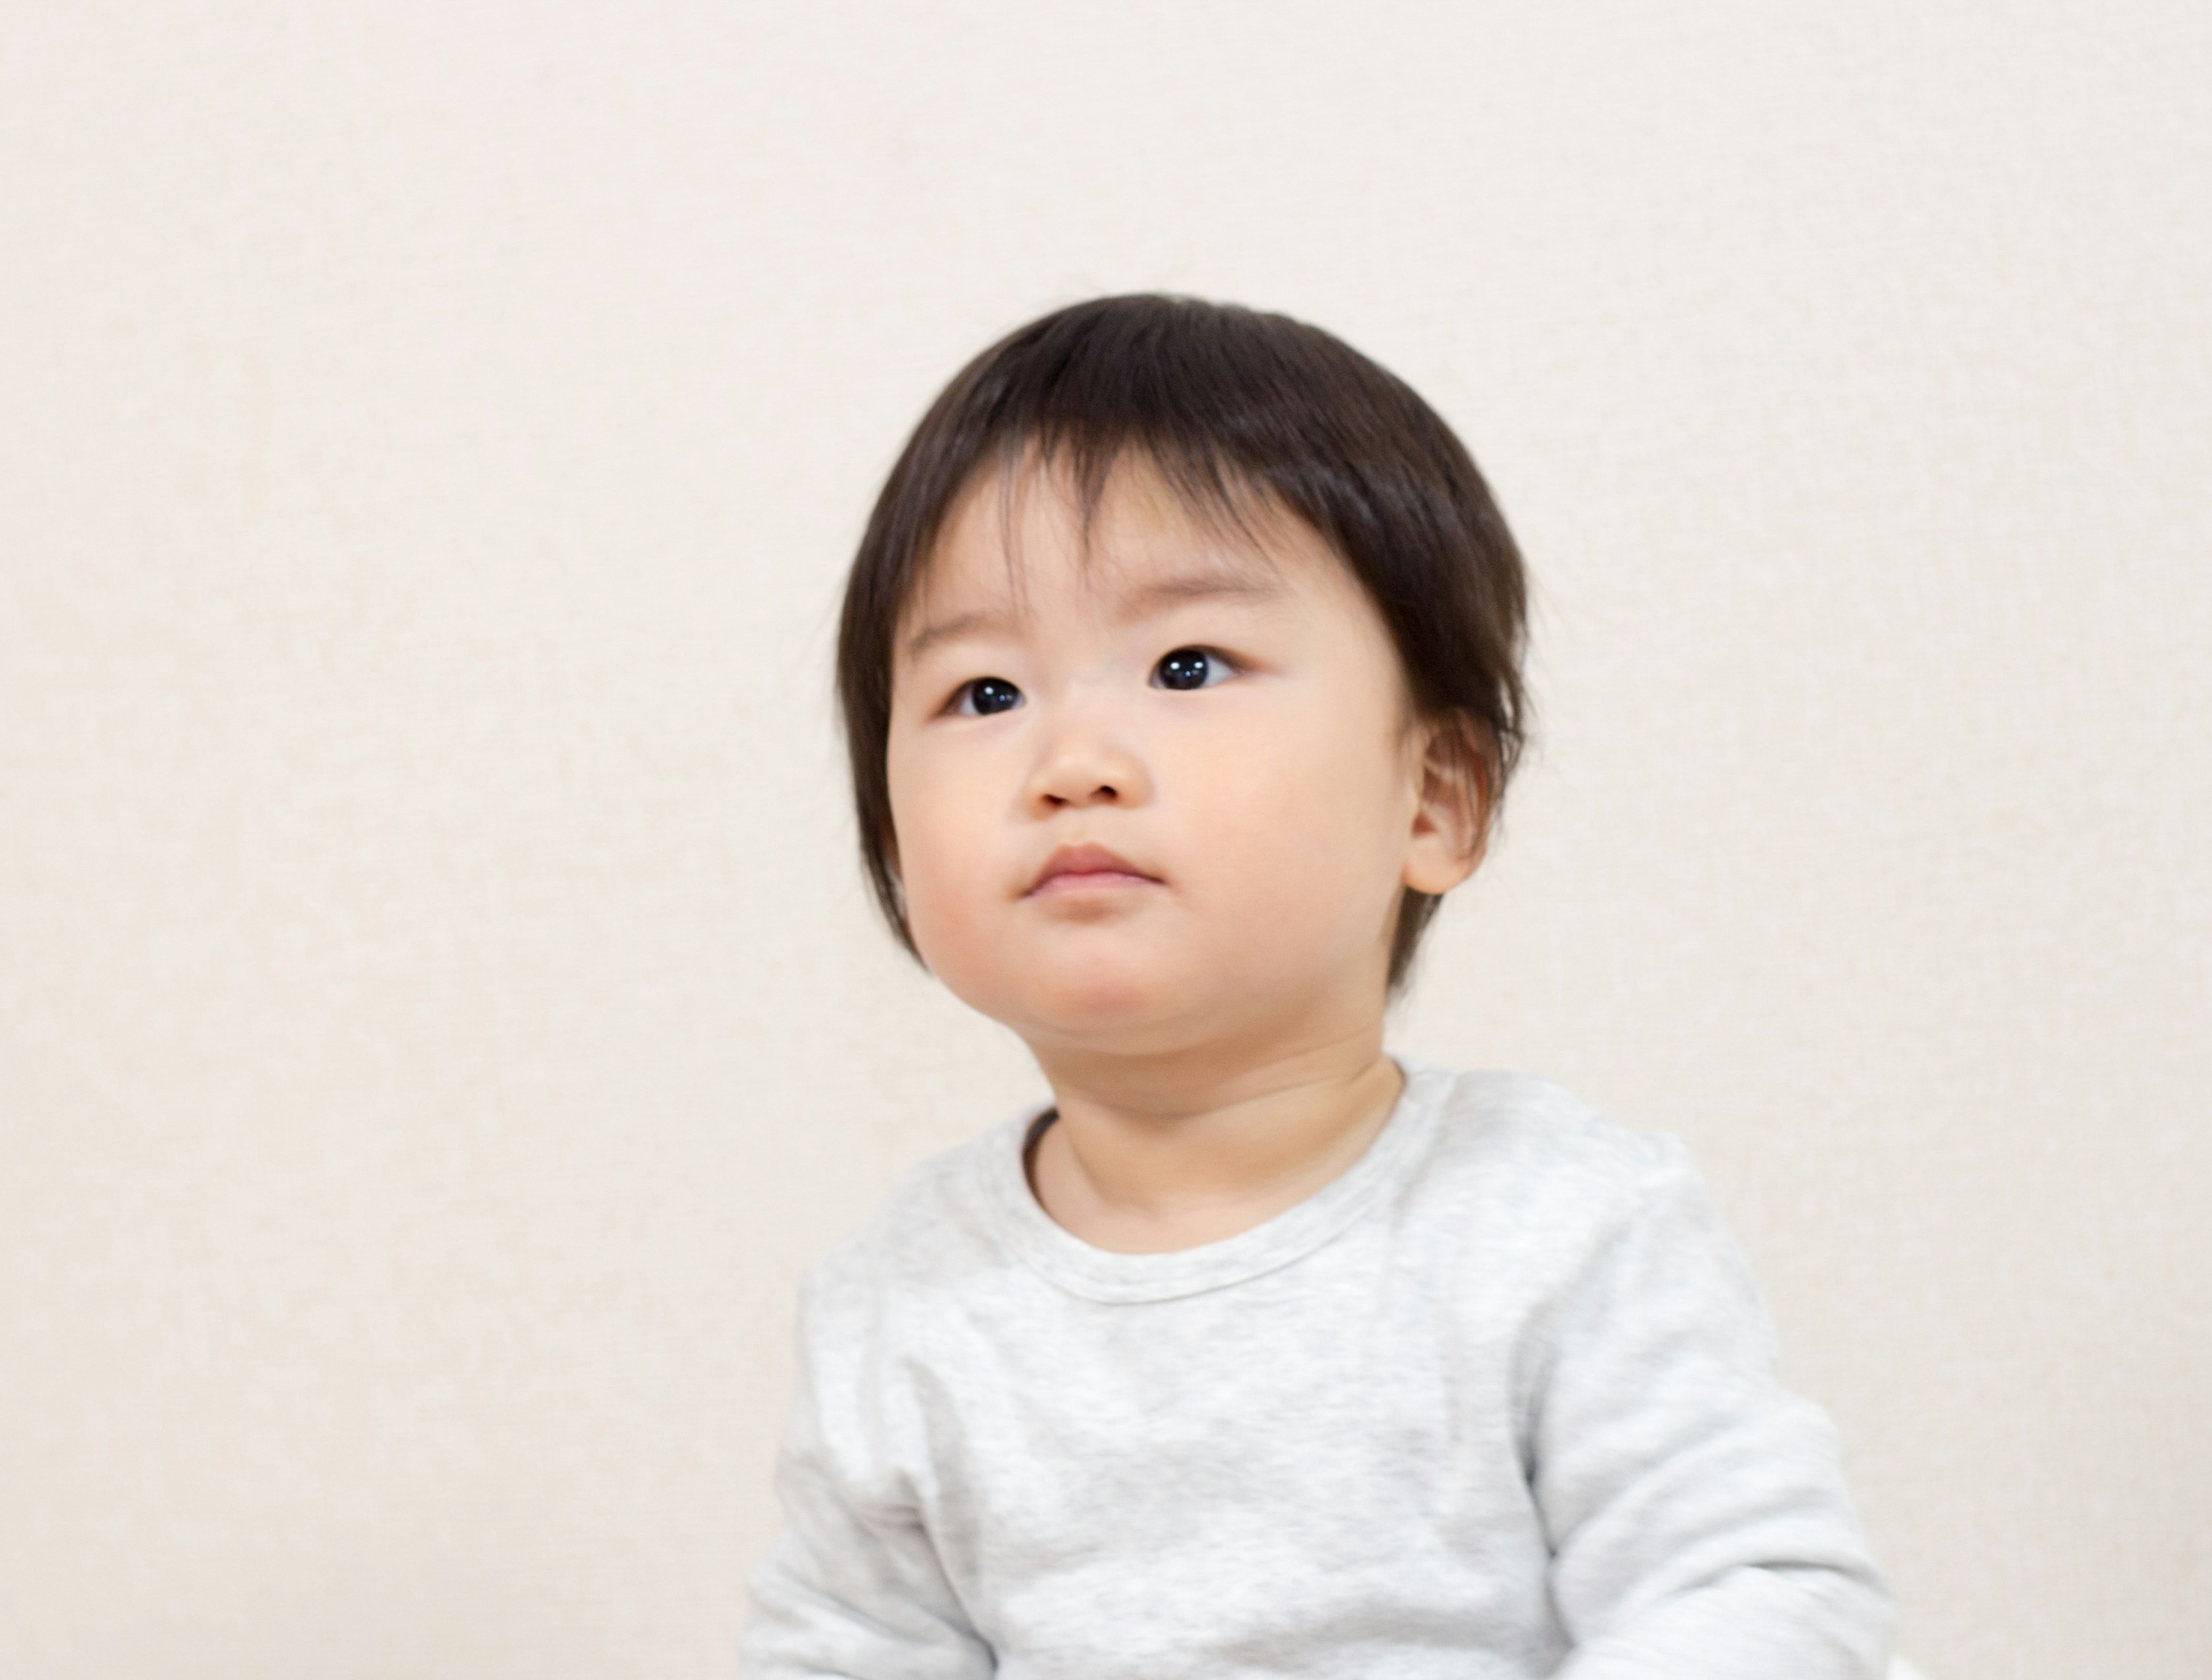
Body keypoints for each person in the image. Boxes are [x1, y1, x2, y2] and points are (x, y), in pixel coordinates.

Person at [739, 295, 1894, 1678]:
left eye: (1188, 664)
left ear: (1436, 796)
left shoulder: (1560, 1222)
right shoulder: (901, 1305)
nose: (1072, 758)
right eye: (984, 693)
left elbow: (1758, 1596)